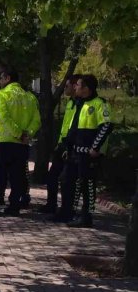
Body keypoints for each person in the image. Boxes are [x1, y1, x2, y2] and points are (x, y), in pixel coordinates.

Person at [59, 74, 113, 228]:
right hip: (76, 151)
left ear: (86, 89)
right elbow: (74, 128)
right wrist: (68, 147)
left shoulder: (99, 104)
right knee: (75, 183)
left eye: (79, 85)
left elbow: (107, 126)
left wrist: (95, 147)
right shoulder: (80, 104)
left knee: (87, 184)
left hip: (88, 154)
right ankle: (75, 214)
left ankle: (86, 216)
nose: (75, 87)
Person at [0, 68, 30, 216]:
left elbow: (2, 117)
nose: (0, 82)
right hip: (22, 144)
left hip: (3, 142)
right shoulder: (30, 97)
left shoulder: (2, 95)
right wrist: (26, 134)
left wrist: (17, 133)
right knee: (17, 175)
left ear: (8, 78)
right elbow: (36, 120)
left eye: (1, 79)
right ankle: (14, 206)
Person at [41, 74, 81, 214]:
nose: (65, 88)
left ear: (76, 86)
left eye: (68, 85)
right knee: (52, 176)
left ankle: (67, 210)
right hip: (62, 145)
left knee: (67, 180)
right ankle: (51, 204)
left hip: (72, 147)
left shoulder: (80, 104)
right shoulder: (71, 102)